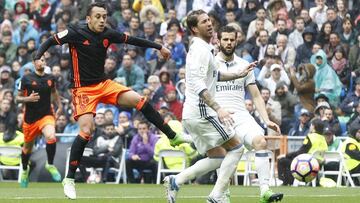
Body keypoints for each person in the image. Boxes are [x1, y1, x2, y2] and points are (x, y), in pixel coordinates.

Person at [33, 2, 188, 199]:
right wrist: (37, 56)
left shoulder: (108, 33)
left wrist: (159, 47)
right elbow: (49, 41)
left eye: (104, 16)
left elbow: (134, 39)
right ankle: (69, 179)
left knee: (139, 100)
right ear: (88, 18)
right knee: (87, 130)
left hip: (104, 84)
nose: (102, 20)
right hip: (83, 90)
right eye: (97, 16)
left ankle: (173, 136)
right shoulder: (75, 32)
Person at [164, 11, 256, 203]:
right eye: (204, 22)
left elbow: (215, 75)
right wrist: (218, 108)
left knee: (219, 157)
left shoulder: (205, 48)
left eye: (209, 20)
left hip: (193, 113)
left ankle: (176, 180)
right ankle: (216, 196)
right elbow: (197, 83)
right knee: (237, 148)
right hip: (202, 112)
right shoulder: (200, 50)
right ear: (194, 29)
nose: (209, 24)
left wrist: (238, 74)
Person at [213, 25, 283, 202]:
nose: (228, 43)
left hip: (241, 115)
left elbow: (256, 95)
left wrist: (266, 120)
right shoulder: (210, 64)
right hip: (218, 116)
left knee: (260, 141)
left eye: (231, 39)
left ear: (236, 41)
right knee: (224, 156)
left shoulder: (245, 65)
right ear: (218, 41)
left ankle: (265, 191)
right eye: (225, 39)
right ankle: (222, 192)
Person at [16, 54, 63, 188]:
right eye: (40, 60)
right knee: (27, 148)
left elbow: (54, 92)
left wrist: (59, 106)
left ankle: (50, 164)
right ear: (34, 63)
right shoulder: (26, 78)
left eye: (44, 60)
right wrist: (27, 99)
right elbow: (17, 98)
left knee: (51, 136)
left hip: (46, 115)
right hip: (30, 119)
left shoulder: (50, 78)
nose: (42, 62)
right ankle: (25, 170)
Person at [277, 118, 328, 185]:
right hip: (319, 165)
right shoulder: (323, 138)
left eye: (311, 125)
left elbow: (300, 153)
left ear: (313, 127)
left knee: (282, 160)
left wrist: (286, 155)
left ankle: (286, 181)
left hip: (308, 165)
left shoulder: (310, 137)